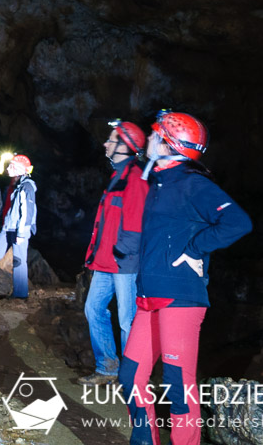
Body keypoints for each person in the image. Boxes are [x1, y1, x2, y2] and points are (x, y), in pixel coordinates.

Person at [119, 111, 252, 445]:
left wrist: (195, 249)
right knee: (130, 376)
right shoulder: (159, 183)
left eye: (154, 135)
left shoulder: (194, 184)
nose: (148, 140)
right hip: (149, 297)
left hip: (180, 298)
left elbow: (238, 222)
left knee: (178, 386)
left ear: (169, 143)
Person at [79, 119, 148, 386]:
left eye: (111, 140)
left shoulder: (135, 179)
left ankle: (132, 377)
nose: (106, 143)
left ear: (125, 146)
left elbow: (136, 224)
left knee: (128, 321)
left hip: (124, 263)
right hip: (106, 262)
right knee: (93, 309)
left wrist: (122, 253)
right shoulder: (116, 177)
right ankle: (107, 367)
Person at [0, 153, 36, 298]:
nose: (8, 168)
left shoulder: (27, 187)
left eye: (11, 166)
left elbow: (27, 212)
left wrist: (22, 234)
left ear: (19, 169)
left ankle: (21, 295)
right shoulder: (16, 186)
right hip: (8, 228)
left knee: (18, 261)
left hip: (18, 230)